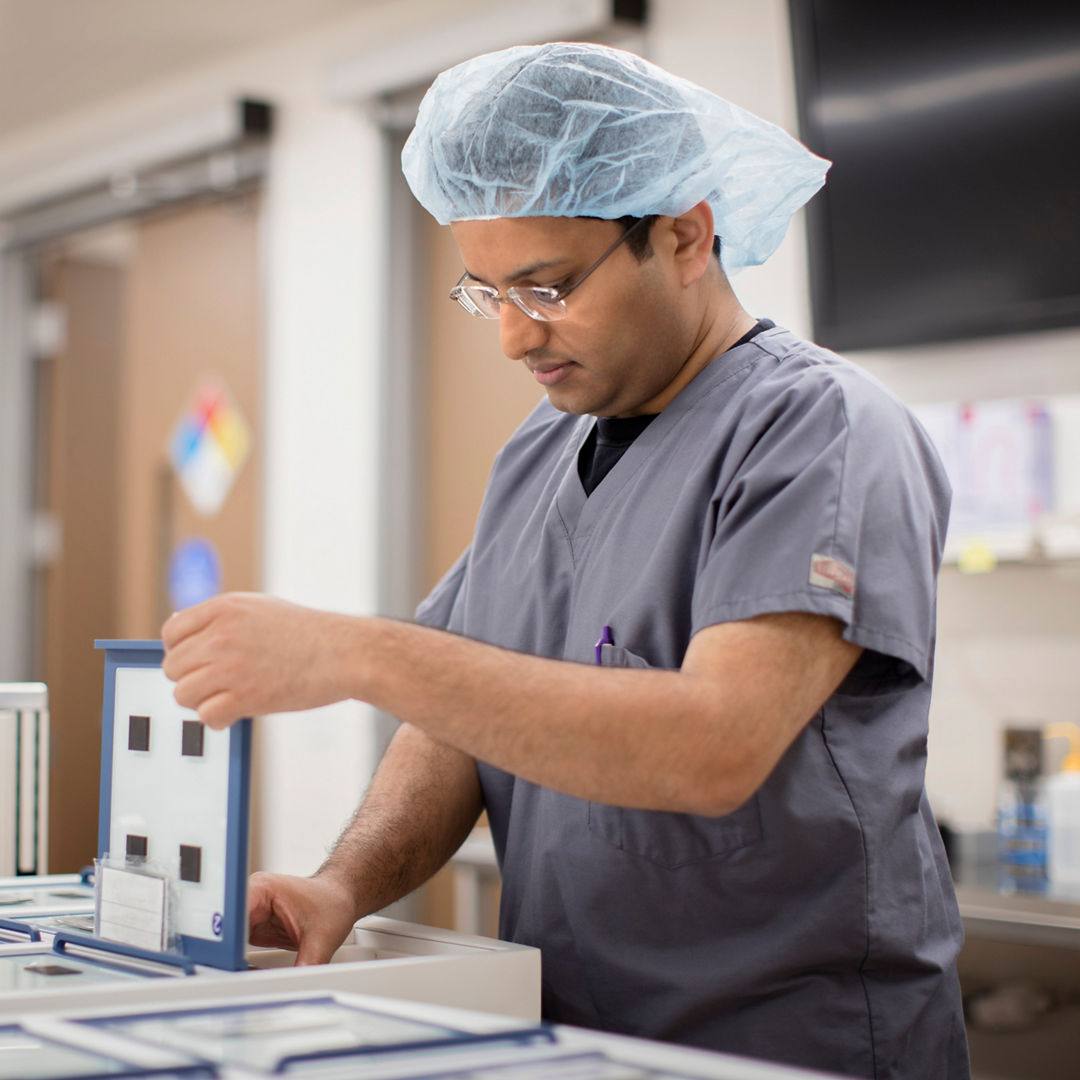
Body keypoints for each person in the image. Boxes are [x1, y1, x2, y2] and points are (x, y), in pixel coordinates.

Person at [162, 42, 969, 1080]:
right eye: (485, 291)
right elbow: (454, 724)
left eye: (545, 289)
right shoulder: (543, 451)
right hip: (570, 1037)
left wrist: (357, 653)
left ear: (683, 236)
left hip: (784, 1046)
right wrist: (344, 884)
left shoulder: (822, 433)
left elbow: (712, 748)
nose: (510, 337)